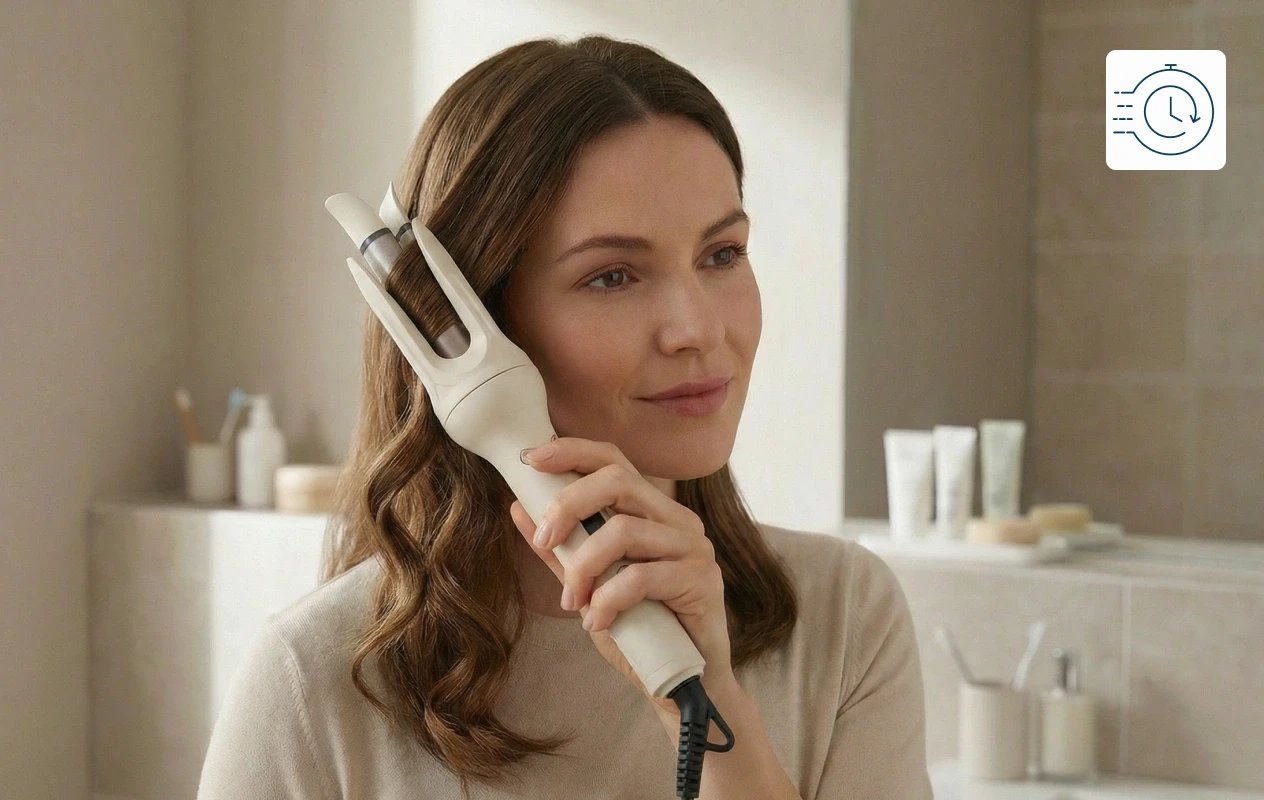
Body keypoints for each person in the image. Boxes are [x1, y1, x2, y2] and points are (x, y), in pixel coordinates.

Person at [196, 34, 931, 800]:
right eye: (613, 276)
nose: (698, 329)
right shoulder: (315, 684)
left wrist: (712, 708)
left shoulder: (846, 618)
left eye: (722, 254)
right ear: (461, 322)